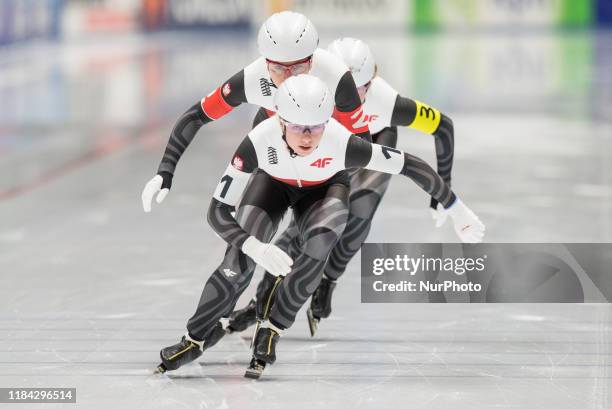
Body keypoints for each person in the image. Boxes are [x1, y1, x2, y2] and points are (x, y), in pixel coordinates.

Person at [153, 74, 485, 379]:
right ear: (280, 120)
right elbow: (217, 211)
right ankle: (194, 338)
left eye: (317, 125)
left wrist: (456, 207)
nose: (308, 136)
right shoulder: (257, 141)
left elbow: (410, 165)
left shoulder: (344, 143)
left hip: (325, 189)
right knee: (237, 264)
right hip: (273, 184)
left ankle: (273, 327)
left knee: (322, 240)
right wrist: (253, 246)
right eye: (298, 126)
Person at [229, 37, 458, 336]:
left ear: (373, 81)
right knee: (303, 226)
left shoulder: (387, 103)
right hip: (329, 146)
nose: (352, 99)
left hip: (373, 144)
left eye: (361, 90)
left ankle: (328, 281)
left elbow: (444, 126)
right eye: (344, 91)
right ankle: (261, 302)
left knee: (360, 210)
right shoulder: (306, 98)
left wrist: (443, 188)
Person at [142, 12, 371, 213]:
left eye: (299, 67)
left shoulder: (337, 77)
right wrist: (165, 170)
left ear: (312, 61)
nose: (290, 76)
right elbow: (196, 116)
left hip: (326, 145)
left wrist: (319, 179)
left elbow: (362, 145)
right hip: (272, 144)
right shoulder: (252, 79)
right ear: (266, 63)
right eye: (278, 68)